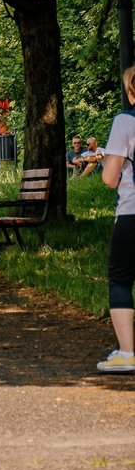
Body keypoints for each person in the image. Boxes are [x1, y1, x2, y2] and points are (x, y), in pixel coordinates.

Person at [97, 66, 135, 372]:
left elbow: (110, 177)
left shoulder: (125, 122)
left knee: (121, 277)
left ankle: (126, 353)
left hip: (132, 212)